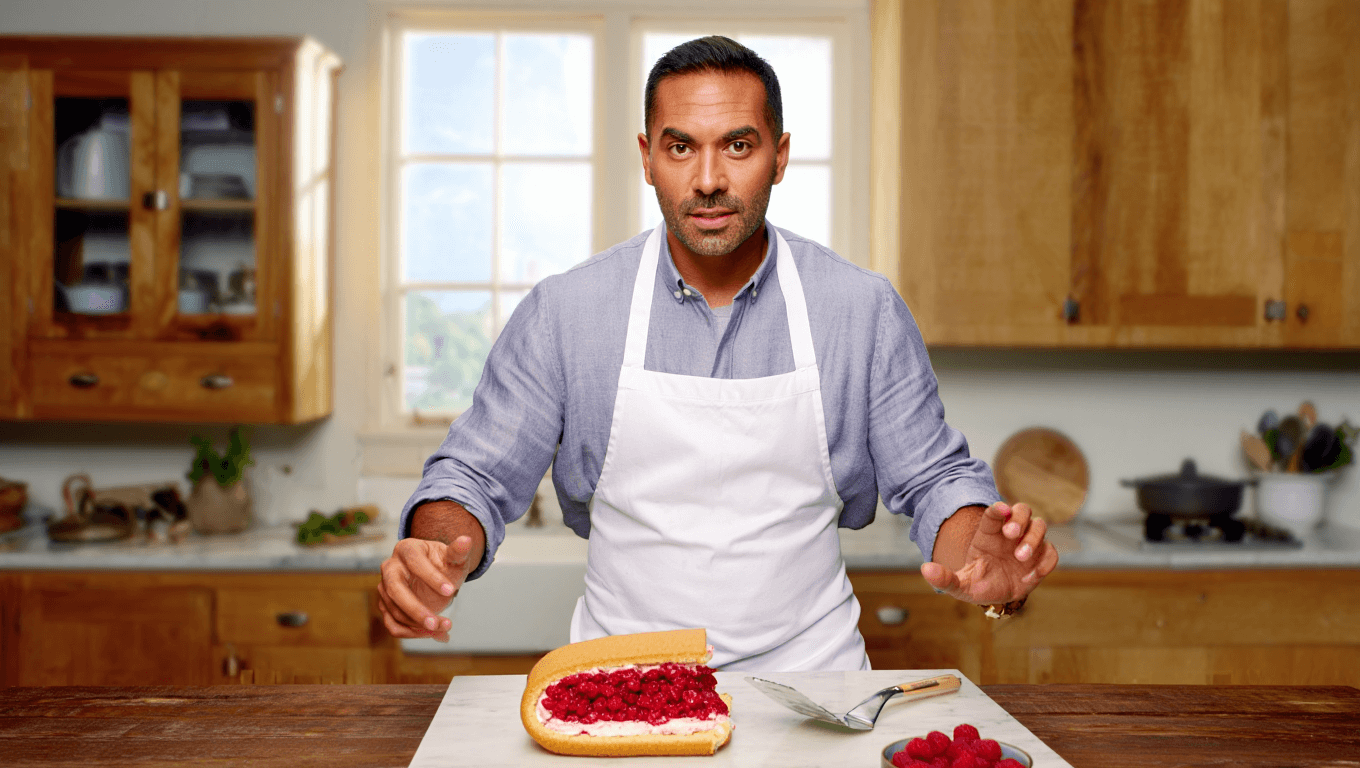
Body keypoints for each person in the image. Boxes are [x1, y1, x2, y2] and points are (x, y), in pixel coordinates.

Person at [378, 36, 1058, 671]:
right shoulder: (568, 312)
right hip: (621, 691)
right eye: (680, 148)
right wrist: (436, 552)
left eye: (738, 145)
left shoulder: (860, 310)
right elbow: (474, 475)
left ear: (780, 155)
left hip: (814, 692)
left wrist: (978, 552)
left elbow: (936, 478)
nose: (708, 179)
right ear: (647, 156)